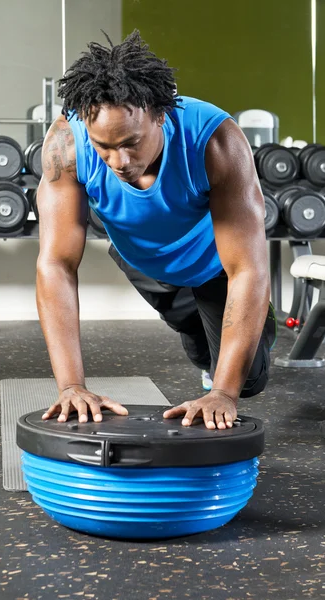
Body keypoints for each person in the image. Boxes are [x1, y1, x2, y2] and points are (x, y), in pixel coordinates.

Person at [38, 30, 276, 431]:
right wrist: (71, 385)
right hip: (143, 260)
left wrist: (223, 393)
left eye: (131, 143)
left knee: (246, 380)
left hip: (215, 264)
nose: (119, 160)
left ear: (161, 114)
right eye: (104, 146)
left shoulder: (215, 140)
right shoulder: (67, 144)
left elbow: (248, 270)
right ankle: (203, 341)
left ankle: (244, 337)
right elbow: (56, 264)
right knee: (196, 336)